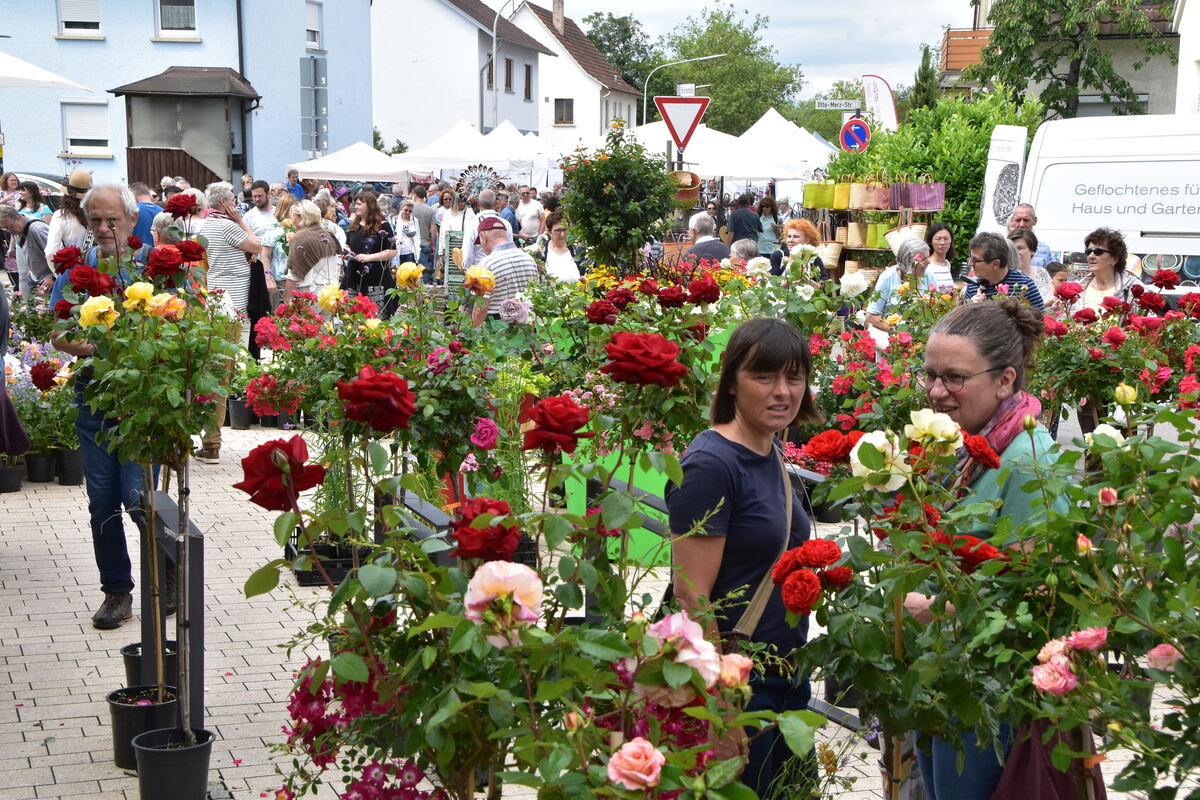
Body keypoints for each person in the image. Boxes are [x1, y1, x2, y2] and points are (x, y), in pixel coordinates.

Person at [906, 298, 1061, 800]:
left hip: (992, 700)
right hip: (951, 685)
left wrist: (934, 611)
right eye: (929, 375)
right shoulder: (975, 446)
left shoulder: (1030, 460)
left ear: (1005, 380)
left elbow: (1035, 595)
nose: (935, 392)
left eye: (954, 377)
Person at [666, 317, 820, 799]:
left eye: (794, 378)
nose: (782, 392)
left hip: (787, 677)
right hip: (741, 688)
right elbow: (692, 595)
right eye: (764, 376)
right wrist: (723, 709)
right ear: (732, 381)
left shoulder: (770, 450)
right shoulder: (712, 465)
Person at [49, 185, 160, 630]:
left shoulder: (156, 267)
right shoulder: (77, 270)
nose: (102, 228)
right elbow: (59, 333)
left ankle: (166, 573)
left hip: (145, 404)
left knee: (139, 499)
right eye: (94, 220)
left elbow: (186, 325)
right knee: (102, 503)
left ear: (133, 220)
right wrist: (104, 347)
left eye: (111, 219)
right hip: (94, 401)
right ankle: (117, 592)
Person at [866, 239, 955, 333]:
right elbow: (872, 315)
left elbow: (936, 310)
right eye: (924, 259)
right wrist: (898, 333)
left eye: (928, 257)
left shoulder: (929, 275)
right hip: (891, 334)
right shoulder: (888, 276)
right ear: (909, 261)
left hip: (922, 334)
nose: (928, 262)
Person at [470, 216, 539, 327]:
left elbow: (481, 307)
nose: (481, 246)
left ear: (483, 236)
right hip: (528, 330)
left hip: (498, 330)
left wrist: (473, 333)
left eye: (480, 242)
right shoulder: (529, 259)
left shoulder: (487, 264)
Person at [341, 189, 398, 316]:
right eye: (355, 203)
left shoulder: (383, 226)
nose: (356, 206)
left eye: (359, 204)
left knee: (375, 316)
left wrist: (369, 257)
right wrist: (347, 252)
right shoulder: (354, 225)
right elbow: (348, 243)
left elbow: (392, 251)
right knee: (353, 316)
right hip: (354, 276)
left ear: (370, 205)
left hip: (375, 278)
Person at [1068, 227, 1141, 313]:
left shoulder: (1133, 288)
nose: (1091, 256)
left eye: (1098, 251)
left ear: (1115, 258)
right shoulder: (1078, 288)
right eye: (1088, 251)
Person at [963, 232, 1043, 310]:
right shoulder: (973, 285)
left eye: (975, 260)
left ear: (996, 264)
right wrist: (971, 308)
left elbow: (1040, 320)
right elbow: (962, 321)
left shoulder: (1024, 286)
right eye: (970, 258)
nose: (970, 263)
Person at [285, 199, 343, 296]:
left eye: (293, 216)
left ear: (300, 216)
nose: (292, 220)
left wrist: (286, 302)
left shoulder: (300, 237)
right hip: (329, 294)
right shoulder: (327, 234)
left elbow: (293, 275)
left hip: (308, 294)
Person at [0, 206, 52, 296]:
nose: (9, 231)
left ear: (19, 218)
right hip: (36, 277)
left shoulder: (37, 229)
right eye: (5, 228)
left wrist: (52, 277)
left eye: (10, 226)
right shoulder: (17, 229)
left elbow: (57, 254)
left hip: (49, 279)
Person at [45, 170, 92, 263]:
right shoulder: (98, 213)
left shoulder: (60, 216)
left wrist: (58, 274)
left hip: (74, 270)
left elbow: (50, 252)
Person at [462, 189, 512, 270]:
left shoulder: (472, 225)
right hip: (501, 270)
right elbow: (509, 248)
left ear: (478, 203)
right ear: (496, 203)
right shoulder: (506, 224)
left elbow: (467, 254)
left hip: (480, 273)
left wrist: (467, 269)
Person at [1007, 229, 1052, 301]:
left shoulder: (1042, 271)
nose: (1015, 252)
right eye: (1012, 248)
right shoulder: (1006, 275)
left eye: (1020, 248)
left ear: (1033, 250)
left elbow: (1053, 296)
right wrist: (1044, 305)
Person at [540, 211, 581, 282]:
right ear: (549, 232)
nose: (562, 234)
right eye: (558, 230)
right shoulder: (542, 252)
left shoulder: (576, 251)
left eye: (565, 230)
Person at [393, 199, 421, 266]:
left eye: (410, 211)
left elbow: (417, 237)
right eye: (406, 210)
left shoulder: (414, 220)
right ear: (402, 208)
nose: (407, 212)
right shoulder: (395, 220)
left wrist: (417, 252)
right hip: (398, 251)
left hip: (410, 251)